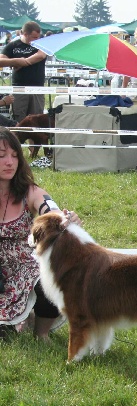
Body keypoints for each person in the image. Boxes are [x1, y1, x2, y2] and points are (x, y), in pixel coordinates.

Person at [0, 128, 82, 340]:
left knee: (52, 282)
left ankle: (41, 333)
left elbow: (50, 209)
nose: (10, 162)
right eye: (2, 156)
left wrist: (65, 218)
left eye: (15, 156)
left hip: (26, 263)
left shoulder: (30, 192)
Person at [0, 22, 46, 123]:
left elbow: (41, 55)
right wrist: (15, 61)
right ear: (25, 34)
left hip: (36, 88)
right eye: (34, 37)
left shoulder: (42, 44)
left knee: (37, 121)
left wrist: (24, 62)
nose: (37, 39)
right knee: (18, 121)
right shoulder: (12, 46)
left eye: (38, 37)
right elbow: (1, 60)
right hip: (19, 88)